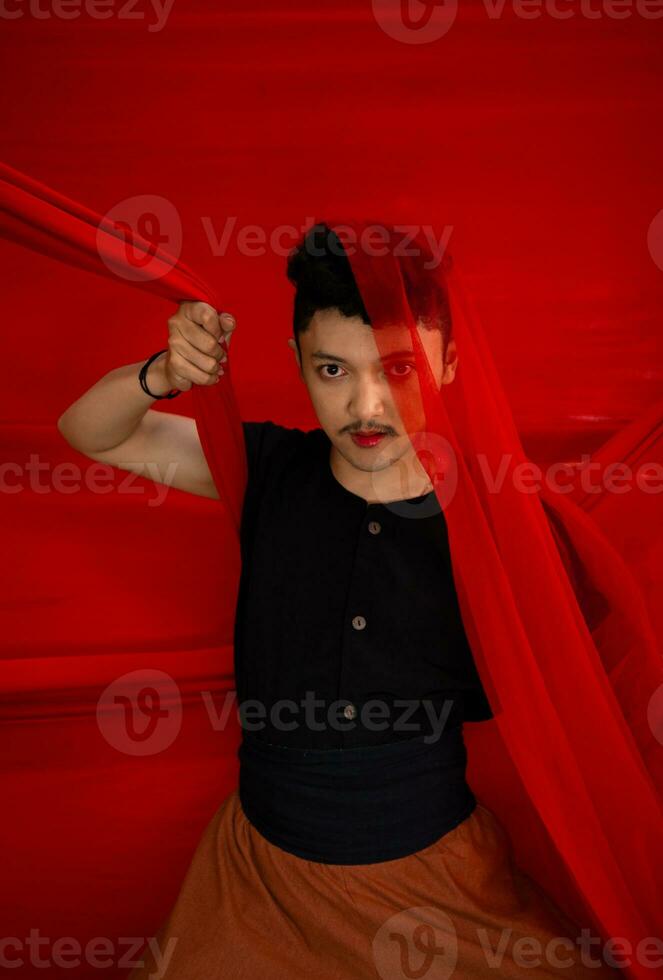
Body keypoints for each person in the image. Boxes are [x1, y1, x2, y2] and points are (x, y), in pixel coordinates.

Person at [57, 225, 622, 979]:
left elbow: (582, 675)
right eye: (331, 369)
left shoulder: (499, 523)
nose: (366, 404)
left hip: (435, 882)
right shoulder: (264, 469)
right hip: (264, 880)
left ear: (448, 365)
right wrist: (162, 374)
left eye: (399, 369)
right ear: (297, 364)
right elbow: (90, 434)